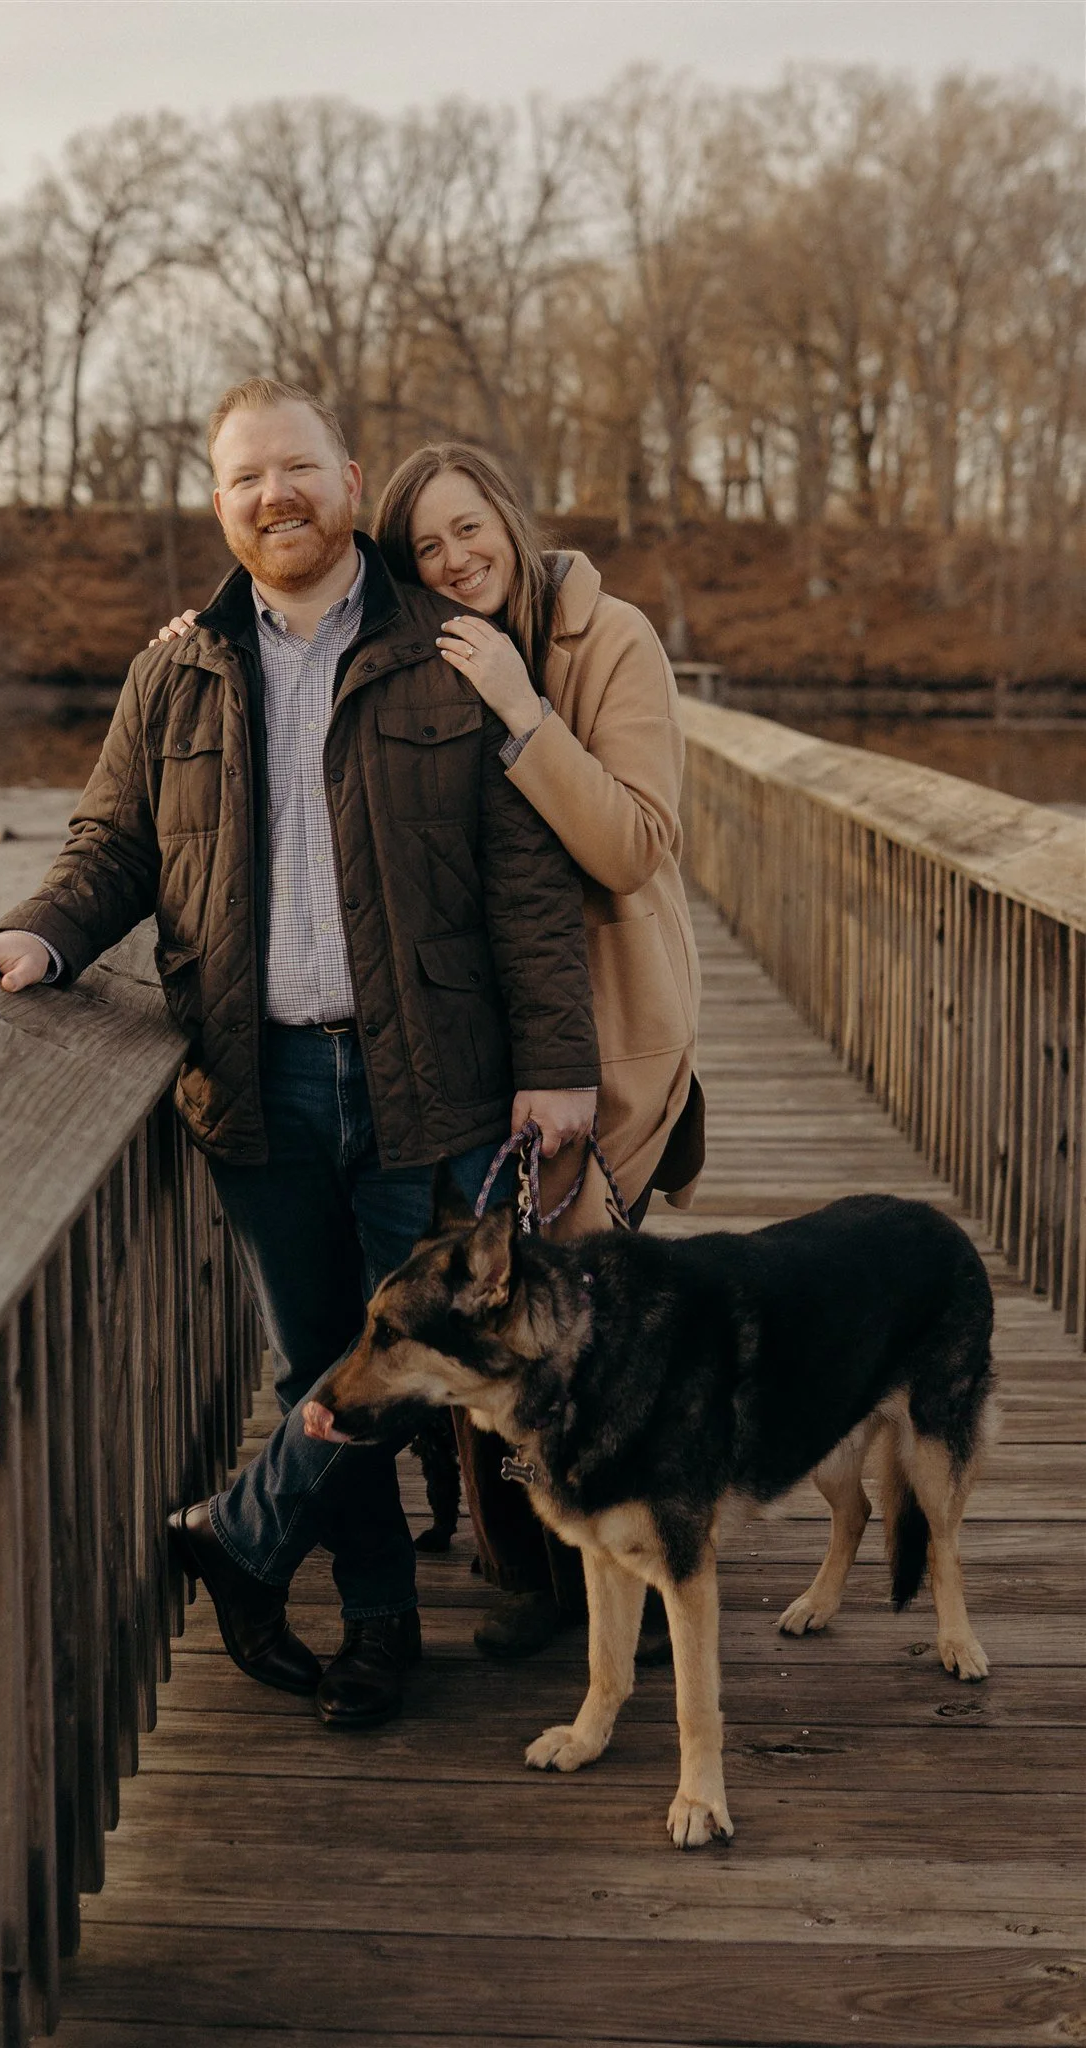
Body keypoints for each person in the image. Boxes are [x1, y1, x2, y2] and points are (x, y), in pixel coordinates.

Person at [0, 380, 602, 1731]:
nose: (274, 497)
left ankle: (247, 1538)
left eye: (296, 469)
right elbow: (112, 849)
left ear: (351, 483)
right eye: (245, 478)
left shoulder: (453, 650)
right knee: (321, 1355)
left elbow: (526, 885)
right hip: (260, 1082)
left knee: (416, 1358)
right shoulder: (174, 668)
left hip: (438, 1074)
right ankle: (376, 1627)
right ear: (218, 502)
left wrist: (559, 1064)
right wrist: (40, 941)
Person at [366, 441, 705, 1660]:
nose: (456, 560)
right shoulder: (419, 645)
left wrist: (522, 707)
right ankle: (542, 1578)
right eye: (426, 547)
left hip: (614, 1022)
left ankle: (657, 1573)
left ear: (507, 517)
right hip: (479, 1030)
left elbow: (632, 846)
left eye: (470, 529)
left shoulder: (608, 640)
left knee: (592, 1305)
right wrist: (196, 639)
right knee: (488, 1297)